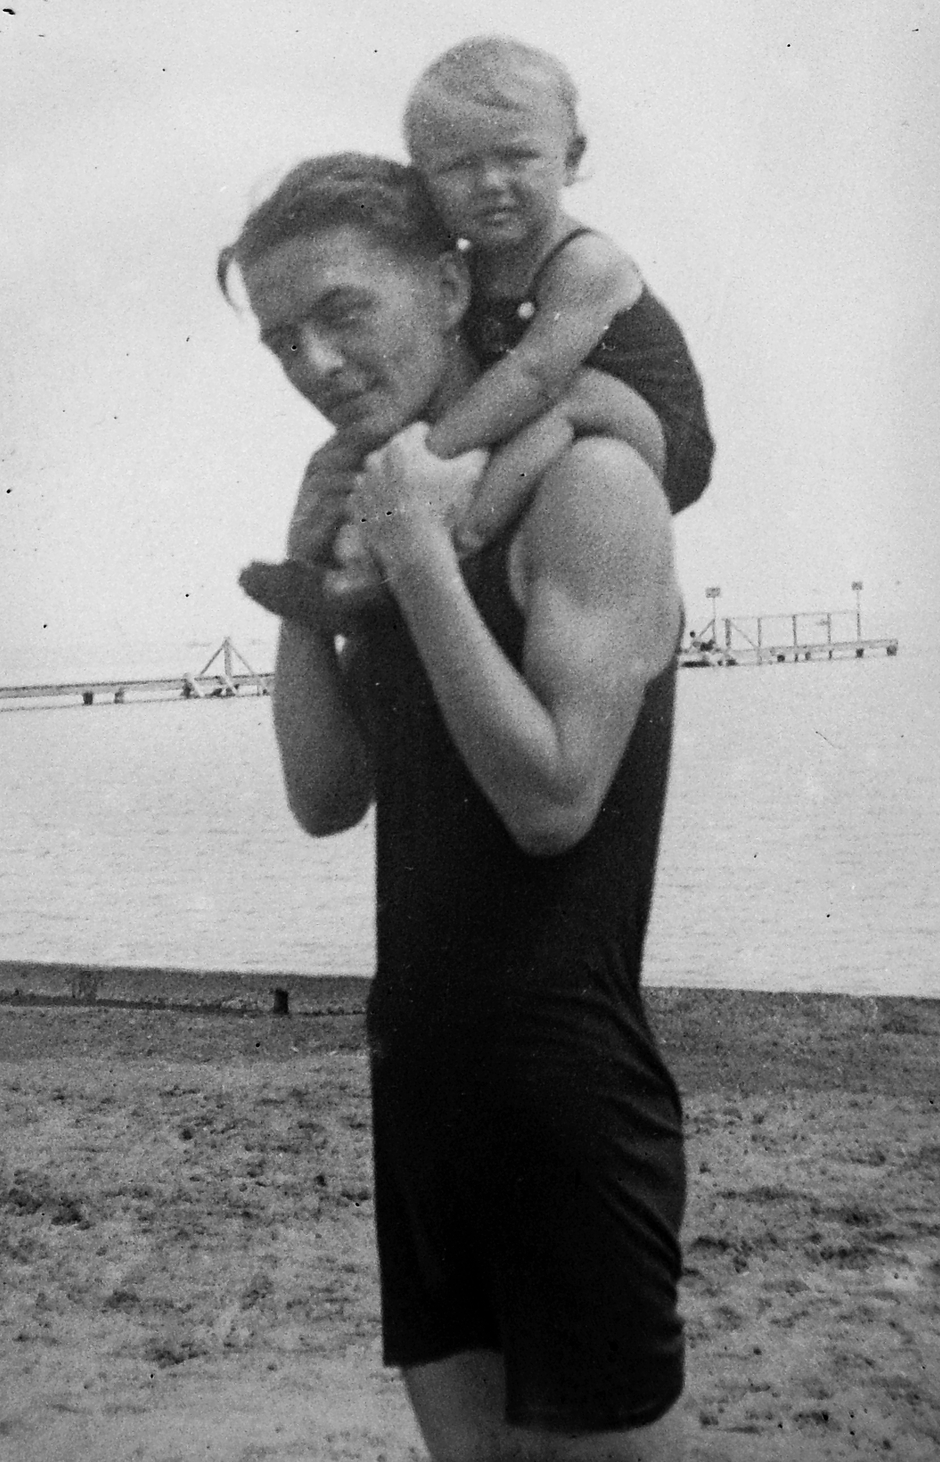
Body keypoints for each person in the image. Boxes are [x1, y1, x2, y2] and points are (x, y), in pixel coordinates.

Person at [219, 154, 690, 1460]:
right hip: (419, 1087)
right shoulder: (394, 508)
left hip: (565, 1098)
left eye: (341, 312)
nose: (312, 359)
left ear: (444, 281)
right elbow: (325, 795)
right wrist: (311, 584)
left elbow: (553, 799)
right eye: (280, 339)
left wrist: (418, 551)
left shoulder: (593, 487)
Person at [236, 35, 711, 634]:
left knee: (564, 406)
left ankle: (433, 549)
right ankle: (348, 565)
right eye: (459, 166)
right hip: (545, 402)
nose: (490, 182)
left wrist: (424, 461)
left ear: (570, 156)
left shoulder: (586, 265)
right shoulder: (474, 261)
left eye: (517, 156)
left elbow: (534, 375)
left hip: (648, 423)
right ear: (424, 178)